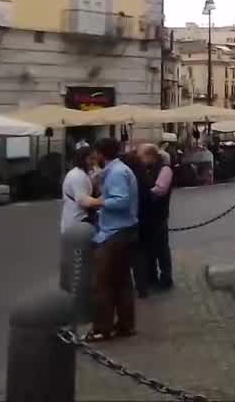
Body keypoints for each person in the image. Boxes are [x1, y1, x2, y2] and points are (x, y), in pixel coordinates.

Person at [84, 137, 139, 341]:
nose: (94, 156)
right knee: (122, 281)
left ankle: (101, 328)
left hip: (114, 233)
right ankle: (125, 325)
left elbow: (121, 201)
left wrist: (96, 202)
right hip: (125, 231)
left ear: (101, 153)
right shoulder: (119, 170)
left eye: (96, 152)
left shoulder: (116, 173)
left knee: (102, 282)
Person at [134, 143, 173, 295]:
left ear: (151, 156)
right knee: (148, 249)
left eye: (142, 157)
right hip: (146, 217)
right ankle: (151, 277)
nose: (140, 160)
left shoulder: (165, 169)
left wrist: (144, 194)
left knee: (161, 249)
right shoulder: (145, 169)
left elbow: (160, 190)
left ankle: (166, 278)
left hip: (159, 216)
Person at [60, 147, 97, 233]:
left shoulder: (83, 173)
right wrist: (102, 201)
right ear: (82, 159)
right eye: (91, 159)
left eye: (95, 159)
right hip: (77, 223)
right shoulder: (77, 176)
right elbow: (83, 201)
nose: (94, 162)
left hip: (80, 221)